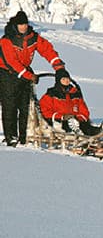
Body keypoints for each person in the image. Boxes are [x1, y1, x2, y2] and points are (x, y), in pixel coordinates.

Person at [0, 10, 66, 146]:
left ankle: (24, 137)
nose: (23, 27)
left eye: (25, 24)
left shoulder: (33, 37)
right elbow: (11, 63)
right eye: (20, 25)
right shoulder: (7, 40)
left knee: (26, 107)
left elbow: (47, 50)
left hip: (24, 73)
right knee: (10, 107)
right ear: (15, 25)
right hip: (7, 75)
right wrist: (29, 76)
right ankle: (11, 137)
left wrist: (59, 68)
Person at [39, 68, 103, 136]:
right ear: (58, 80)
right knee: (69, 123)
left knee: (85, 125)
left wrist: (79, 118)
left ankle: (98, 131)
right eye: (63, 79)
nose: (66, 81)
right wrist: (61, 117)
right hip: (59, 121)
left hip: (76, 120)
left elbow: (84, 110)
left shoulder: (75, 93)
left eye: (68, 79)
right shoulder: (51, 94)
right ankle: (77, 132)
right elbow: (44, 111)